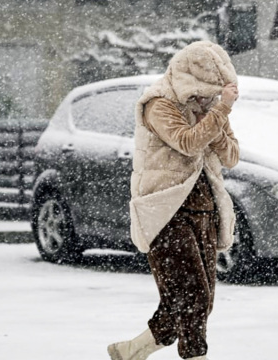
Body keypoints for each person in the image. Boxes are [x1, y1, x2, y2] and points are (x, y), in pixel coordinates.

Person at [107, 41, 240, 360]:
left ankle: (131, 351)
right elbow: (187, 143)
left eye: (213, 95)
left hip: (204, 210)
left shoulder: (208, 110)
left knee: (195, 301)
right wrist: (220, 112)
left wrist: (215, 118)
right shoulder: (159, 104)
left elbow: (232, 156)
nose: (207, 100)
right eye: (205, 93)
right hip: (165, 212)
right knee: (192, 295)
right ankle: (195, 356)